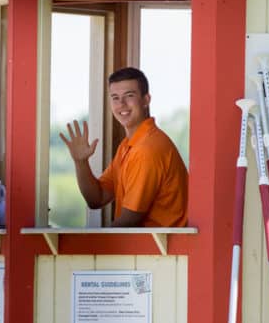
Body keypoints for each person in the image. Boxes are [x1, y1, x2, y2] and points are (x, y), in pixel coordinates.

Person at [60, 66, 189, 227]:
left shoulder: (147, 148)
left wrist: (93, 242)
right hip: (147, 248)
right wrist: (80, 162)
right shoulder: (128, 145)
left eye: (129, 96)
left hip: (165, 249)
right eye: (115, 97)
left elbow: (130, 219)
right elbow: (97, 198)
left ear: (146, 100)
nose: (121, 104)